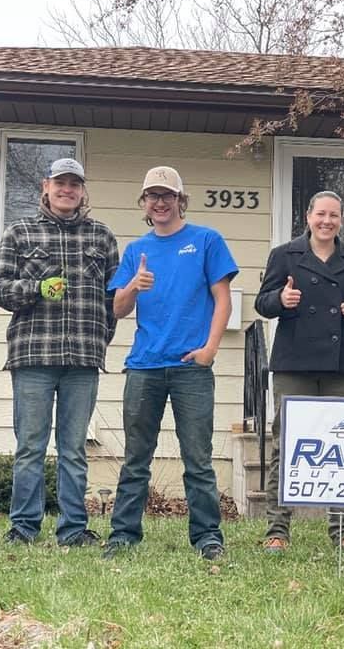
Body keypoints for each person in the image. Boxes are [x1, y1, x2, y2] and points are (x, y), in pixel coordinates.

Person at [104, 166, 238, 561]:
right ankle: (123, 536)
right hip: (144, 366)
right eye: (152, 196)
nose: (160, 203)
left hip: (190, 367)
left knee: (197, 458)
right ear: (144, 203)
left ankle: (207, 538)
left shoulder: (206, 240)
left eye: (167, 195)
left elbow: (223, 299)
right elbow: (118, 309)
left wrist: (210, 348)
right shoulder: (135, 252)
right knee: (136, 458)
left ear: (181, 200)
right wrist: (133, 285)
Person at [0, 157, 119, 546]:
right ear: (45, 186)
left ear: (83, 191)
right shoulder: (20, 232)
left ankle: (73, 530)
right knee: (30, 446)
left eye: (74, 184)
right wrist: (34, 289)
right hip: (33, 357)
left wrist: (100, 339)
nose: (67, 190)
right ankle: (23, 528)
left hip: (83, 359)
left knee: (74, 449)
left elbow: (114, 299)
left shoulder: (102, 237)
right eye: (60, 183)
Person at [255, 191, 344, 556]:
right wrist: (281, 301)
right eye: (320, 214)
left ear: (342, 220)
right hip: (294, 363)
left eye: (334, 216)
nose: (327, 221)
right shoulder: (285, 255)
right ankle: (277, 529)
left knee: (343, 446)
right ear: (307, 216)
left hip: (341, 365)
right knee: (287, 444)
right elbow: (263, 302)